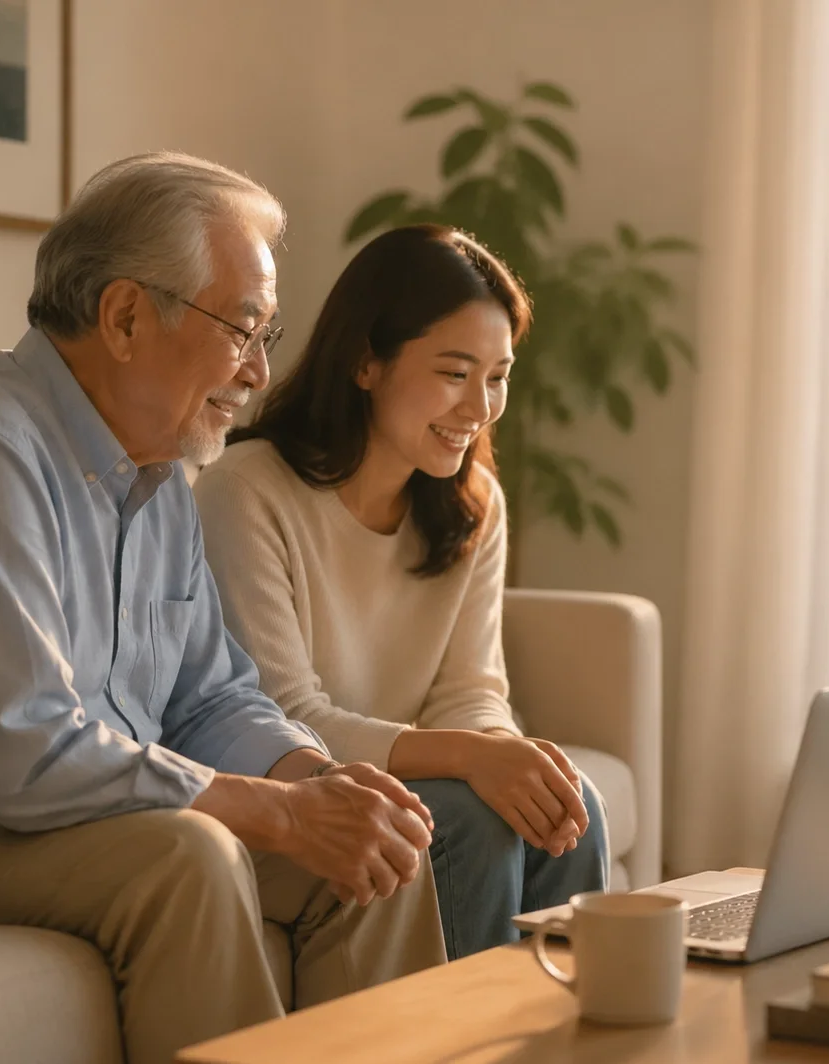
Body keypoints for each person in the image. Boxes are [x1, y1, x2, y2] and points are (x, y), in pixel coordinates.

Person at [0, 153, 447, 1064]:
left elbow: (211, 698)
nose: (260, 373)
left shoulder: (159, 472)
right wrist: (273, 814)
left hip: (45, 824)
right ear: (126, 318)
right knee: (190, 857)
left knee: (376, 848)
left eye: (267, 335)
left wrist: (316, 785)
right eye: (244, 331)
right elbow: (25, 755)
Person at [194, 224, 609, 961]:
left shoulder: (473, 501)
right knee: (468, 815)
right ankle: (448, 1063)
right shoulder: (247, 491)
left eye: (498, 375)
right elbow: (285, 717)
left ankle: (562, 1062)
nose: (479, 407)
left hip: (411, 792)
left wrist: (506, 756)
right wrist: (469, 761)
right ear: (365, 363)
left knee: (575, 806)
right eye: (454, 373)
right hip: (306, 800)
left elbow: (470, 693)